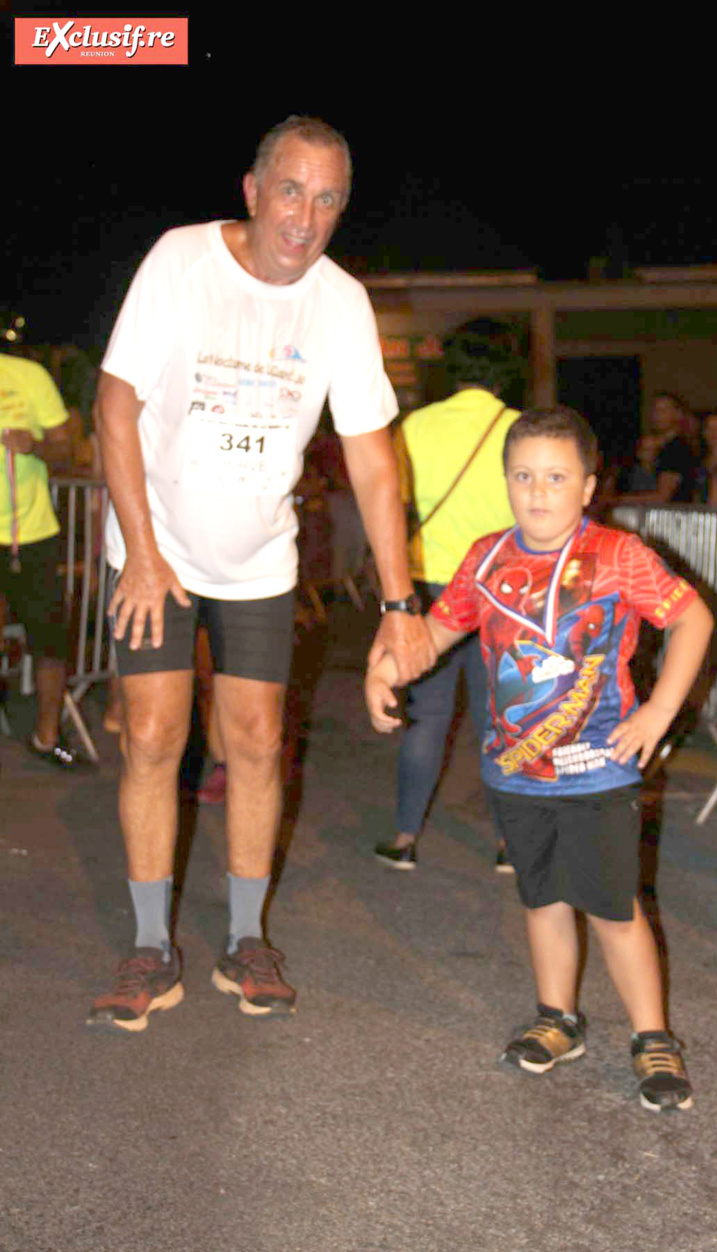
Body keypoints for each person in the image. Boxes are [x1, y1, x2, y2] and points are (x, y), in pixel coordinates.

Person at [88, 115, 434, 1033]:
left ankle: (246, 939)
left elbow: (371, 462)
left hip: (257, 566)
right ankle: (151, 945)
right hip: (153, 552)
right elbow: (114, 406)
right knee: (155, 739)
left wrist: (401, 605)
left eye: (327, 200)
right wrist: (143, 552)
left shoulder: (341, 303)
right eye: (291, 189)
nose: (305, 217)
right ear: (252, 189)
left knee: (253, 742)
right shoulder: (180, 261)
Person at [366, 406, 713, 1111]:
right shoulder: (486, 557)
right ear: (505, 481)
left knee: (616, 910)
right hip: (515, 772)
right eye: (523, 476)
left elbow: (692, 618)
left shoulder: (618, 555)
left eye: (556, 477)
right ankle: (558, 1018)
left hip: (601, 768)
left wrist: (659, 711)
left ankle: (653, 1036)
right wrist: (384, 670)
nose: (538, 492)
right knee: (543, 898)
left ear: (588, 486)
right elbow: (435, 633)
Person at [373, 319, 520, 873]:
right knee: (500, 720)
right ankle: (511, 845)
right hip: (502, 589)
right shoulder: (522, 429)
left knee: (427, 716)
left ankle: (405, 837)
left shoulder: (415, 426)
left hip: (430, 588)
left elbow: (397, 505)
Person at [0, 351, 82, 769]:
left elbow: (66, 452)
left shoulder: (27, 375)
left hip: (29, 535)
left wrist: (31, 446)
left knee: (51, 641)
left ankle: (47, 737)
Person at [617, 393, 698, 505]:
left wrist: (615, 500)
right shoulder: (654, 445)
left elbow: (662, 497)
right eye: (655, 410)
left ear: (677, 414)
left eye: (663, 410)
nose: (657, 415)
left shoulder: (678, 449)